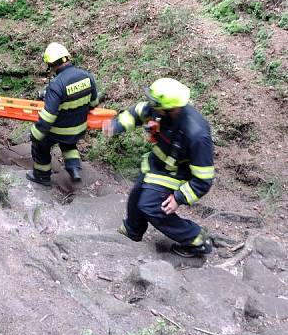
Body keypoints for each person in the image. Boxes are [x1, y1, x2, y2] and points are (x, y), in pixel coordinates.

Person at [103, 77, 214, 258]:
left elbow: (204, 179)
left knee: (152, 206)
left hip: (178, 174)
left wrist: (179, 197)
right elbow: (137, 112)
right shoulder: (159, 110)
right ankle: (132, 231)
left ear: (172, 108)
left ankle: (196, 239)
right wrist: (116, 125)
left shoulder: (197, 134)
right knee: (137, 196)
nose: (150, 106)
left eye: (155, 103)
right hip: (157, 165)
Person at [27, 42, 98, 186]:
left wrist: (36, 133)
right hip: (79, 127)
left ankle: (42, 176)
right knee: (68, 143)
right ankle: (74, 169)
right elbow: (93, 103)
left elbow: (48, 116)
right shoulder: (87, 76)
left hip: (60, 130)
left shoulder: (56, 85)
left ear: (51, 65)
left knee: (41, 146)